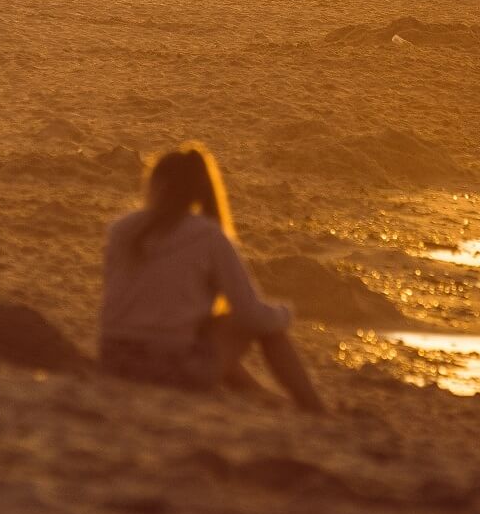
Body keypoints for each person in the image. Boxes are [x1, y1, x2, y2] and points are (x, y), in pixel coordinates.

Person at [100, 146, 324, 410]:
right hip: (169, 371)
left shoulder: (121, 229)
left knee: (209, 330)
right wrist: (285, 315)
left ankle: (258, 394)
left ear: (155, 184)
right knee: (265, 328)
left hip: (113, 361)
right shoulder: (208, 236)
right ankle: (315, 408)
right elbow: (250, 313)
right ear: (197, 191)